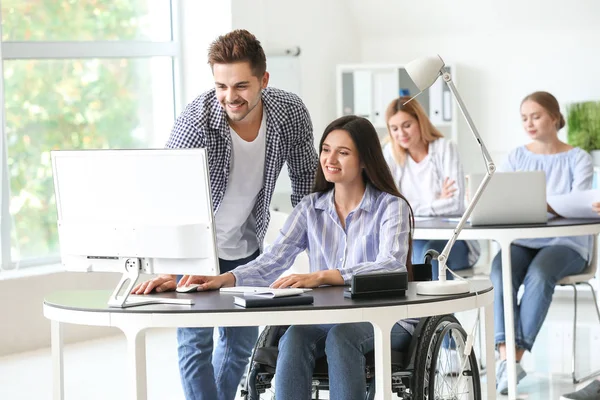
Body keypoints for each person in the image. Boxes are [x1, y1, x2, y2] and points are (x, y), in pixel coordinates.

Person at [131, 29, 318, 400]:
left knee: (239, 346)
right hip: (195, 249)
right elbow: (166, 193)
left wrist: (314, 254)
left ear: (264, 79)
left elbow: (306, 188)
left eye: (241, 86)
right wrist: (170, 265)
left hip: (247, 244)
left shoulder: (290, 112)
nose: (229, 97)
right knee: (196, 342)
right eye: (221, 86)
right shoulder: (197, 121)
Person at [181, 115, 417, 400]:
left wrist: (324, 276)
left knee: (343, 338)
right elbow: (274, 258)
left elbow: (390, 263)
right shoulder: (310, 208)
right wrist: (225, 278)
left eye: (343, 153)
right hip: (327, 318)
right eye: (326, 149)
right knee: (292, 336)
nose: (330, 159)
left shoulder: (391, 207)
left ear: (365, 160)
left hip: (385, 317)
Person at [492, 91, 594, 395]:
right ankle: (505, 359)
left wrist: (546, 205)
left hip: (567, 242)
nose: (529, 123)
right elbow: (504, 196)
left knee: (539, 274)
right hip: (522, 238)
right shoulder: (516, 156)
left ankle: (513, 360)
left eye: (535, 116)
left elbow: (579, 203)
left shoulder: (579, 158)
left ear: (553, 116)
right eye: (524, 118)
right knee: (500, 272)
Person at [382, 96, 480, 281]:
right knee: (413, 251)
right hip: (414, 239)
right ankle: (438, 311)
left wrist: (409, 206)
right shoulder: (390, 153)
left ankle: (437, 310)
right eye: (394, 128)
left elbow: (455, 205)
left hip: (456, 242)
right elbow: (391, 206)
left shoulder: (445, 148)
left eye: (407, 125)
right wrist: (436, 202)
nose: (401, 133)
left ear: (421, 121)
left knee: (428, 253)